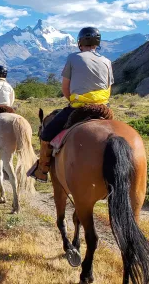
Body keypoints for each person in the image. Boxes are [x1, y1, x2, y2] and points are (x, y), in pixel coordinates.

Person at [28, 27, 114, 182]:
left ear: (80, 42)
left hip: (79, 107)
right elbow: (109, 88)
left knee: (47, 133)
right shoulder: (107, 62)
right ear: (98, 43)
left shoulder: (73, 58)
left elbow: (65, 88)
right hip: (103, 109)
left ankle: (42, 170)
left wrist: (73, 101)